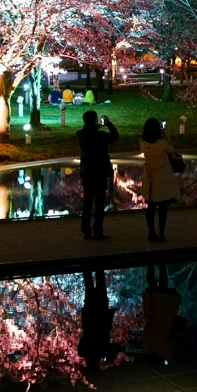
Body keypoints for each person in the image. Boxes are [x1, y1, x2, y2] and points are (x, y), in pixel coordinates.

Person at [76, 110, 119, 239]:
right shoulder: (100, 135)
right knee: (99, 203)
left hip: (87, 172)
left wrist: (95, 127)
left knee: (87, 202)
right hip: (100, 171)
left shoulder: (80, 134)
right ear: (95, 121)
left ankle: (86, 230)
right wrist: (108, 124)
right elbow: (115, 136)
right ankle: (98, 231)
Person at [140, 117, 181, 242]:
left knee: (150, 206)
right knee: (162, 207)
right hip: (162, 177)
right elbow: (171, 151)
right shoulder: (162, 143)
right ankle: (161, 233)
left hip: (150, 177)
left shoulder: (143, 142)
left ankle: (151, 232)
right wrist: (166, 136)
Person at [78, 271, 121, 372]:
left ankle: (98, 266)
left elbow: (116, 346)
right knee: (89, 286)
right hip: (90, 317)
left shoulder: (103, 352)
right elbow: (82, 339)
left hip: (101, 315)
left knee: (99, 284)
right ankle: (87, 267)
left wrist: (111, 357)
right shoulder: (83, 352)